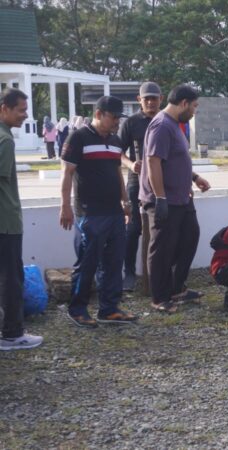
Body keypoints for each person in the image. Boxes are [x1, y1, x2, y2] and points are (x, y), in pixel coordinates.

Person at [59, 96, 137, 327]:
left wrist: (125, 202)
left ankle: (109, 308)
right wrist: (64, 206)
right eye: (113, 117)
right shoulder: (79, 137)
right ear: (98, 114)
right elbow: (67, 173)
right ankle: (78, 309)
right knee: (87, 263)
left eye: (118, 118)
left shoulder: (114, 141)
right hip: (89, 212)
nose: (116, 122)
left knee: (113, 262)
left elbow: (116, 173)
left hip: (114, 212)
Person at [139, 84, 210, 313]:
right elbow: (153, 162)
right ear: (184, 103)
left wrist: (195, 177)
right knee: (162, 248)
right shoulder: (161, 125)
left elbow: (175, 160)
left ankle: (176, 288)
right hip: (165, 199)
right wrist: (160, 198)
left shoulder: (175, 125)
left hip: (182, 197)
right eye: (194, 106)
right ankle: (159, 297)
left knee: (190, 237)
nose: (194, 111)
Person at [0, 88, 43, 350]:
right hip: (6, 222)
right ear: (4, 108)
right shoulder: (5, 141)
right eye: (20, 110)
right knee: (11, 278)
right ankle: (12, 334)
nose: (25, 115)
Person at [119, 81, 163, 291]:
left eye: (154, 98)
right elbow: (117, 152)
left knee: (162, 227)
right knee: (133, 227)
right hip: (137, 182)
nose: (150, 102)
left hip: (162, 181)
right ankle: (129, 272)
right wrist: (130, 163)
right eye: (147, 98)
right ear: (139, 100)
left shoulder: (167, 121)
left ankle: (159, 272)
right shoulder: (131, 123)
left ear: (160, 99)